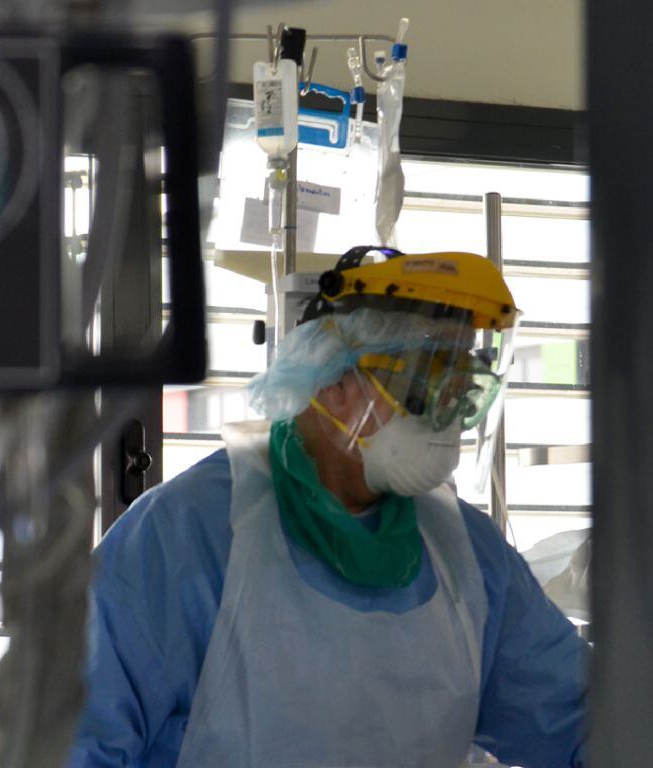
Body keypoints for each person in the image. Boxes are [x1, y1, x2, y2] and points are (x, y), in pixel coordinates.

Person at [69, 247, 589, 768]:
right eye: (422, 386)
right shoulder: (182, 539)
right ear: (333, 382)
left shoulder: (469, 560)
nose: (445, 421)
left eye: (459, 392)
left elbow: (583, 720)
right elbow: (76, 740)